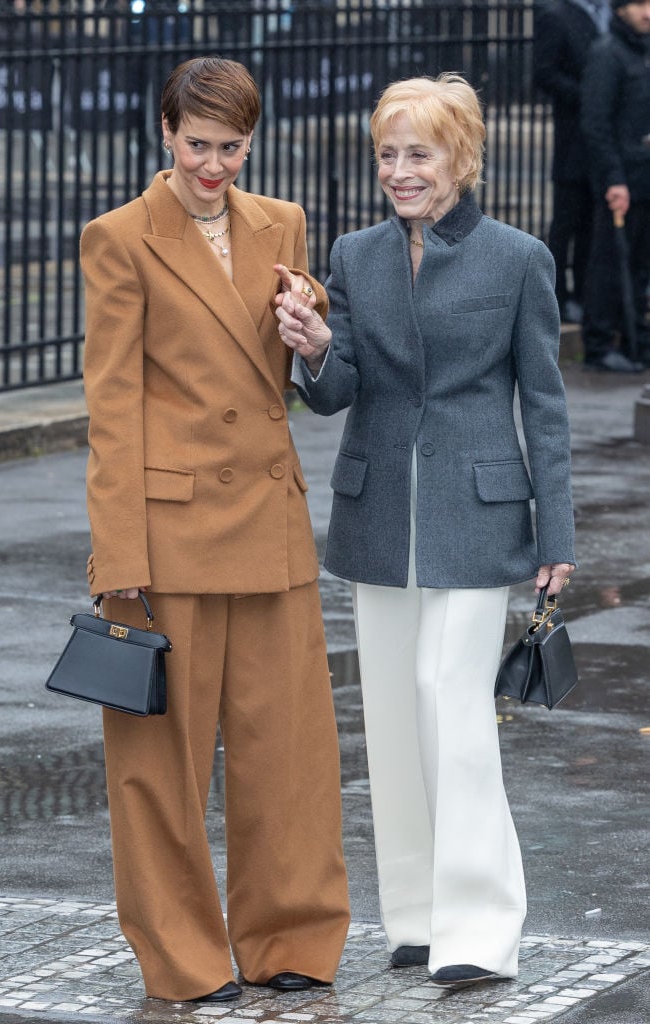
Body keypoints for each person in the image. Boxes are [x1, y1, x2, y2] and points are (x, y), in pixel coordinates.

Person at [275, 73, 576, 989]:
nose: (400, 172)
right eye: (387, 154)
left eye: (419, 154)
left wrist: (555, 536)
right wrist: (315, 348)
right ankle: (414, 916)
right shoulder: (355, 254)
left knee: (450, 706)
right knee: (396, 720)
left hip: (481, 521)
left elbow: (546, 407)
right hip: (377, 516)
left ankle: (479, 927)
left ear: (462, 156)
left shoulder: (517, 257)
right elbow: (335, 392)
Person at [80, 56, 350, 1005]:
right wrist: (117, 559)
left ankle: (289, 938)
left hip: (270, 526)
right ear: (165, 133)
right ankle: (183, 960)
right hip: (169, 535)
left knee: (292, 754)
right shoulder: (117, 239)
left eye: (232, 146)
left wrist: (308, 329)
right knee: (161, 766)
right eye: (198, 145)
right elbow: (112, 406)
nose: (214, 166)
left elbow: (300, 378)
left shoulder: (281, 223)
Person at [580, 0, 650, 371]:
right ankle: (599, 344)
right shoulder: (608, 53)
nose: (648, 12)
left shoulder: (642, 51)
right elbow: (596, 124)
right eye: (639, 3)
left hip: (643, 177)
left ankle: (635, 340)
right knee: (608, 262)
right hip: (621, 180)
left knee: (638, 265)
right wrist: (613, 179)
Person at [533, 0, 610, 324]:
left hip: (603, 136)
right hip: (573, 137)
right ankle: (557, 297)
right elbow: (545, 73)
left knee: (593, 220)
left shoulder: (608, 14)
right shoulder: (556, 15)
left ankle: (583, 293)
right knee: (567, 220)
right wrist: (590, 95)